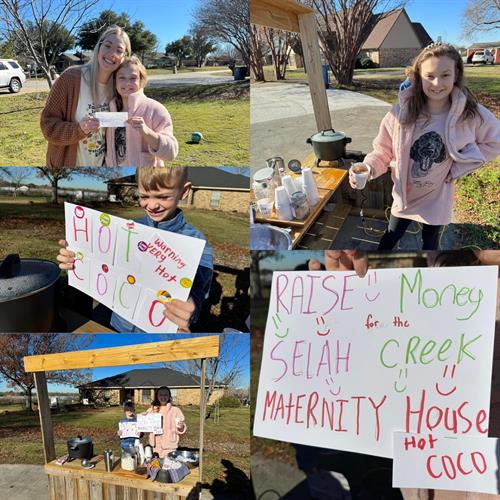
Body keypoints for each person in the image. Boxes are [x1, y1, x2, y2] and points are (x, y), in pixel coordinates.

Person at [349, 42, 500, 250]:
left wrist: (460, 166)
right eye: (430, 76)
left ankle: (431, 278)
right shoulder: (400, 113)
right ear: (418, 76)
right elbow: (383, 151)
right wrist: (368, 168)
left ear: (456, 74)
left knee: (430, 244)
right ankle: (378, 272)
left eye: (445, 75)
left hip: (437, 198)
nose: (437, 83)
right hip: (405, 197)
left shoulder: (470, 114)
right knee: (390, 238)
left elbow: (495, 140)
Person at [56, 166, 213, 332]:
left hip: (155, 332)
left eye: (163, 197)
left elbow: (200, 292)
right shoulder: (129, 227)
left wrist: (191, 307)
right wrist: (77, 258)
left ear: (184, 191)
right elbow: (106, 260)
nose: (152, 205)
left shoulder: (197, 243)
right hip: (115, 322)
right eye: (144, 196)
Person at [40, 25, 131, 167]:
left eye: (119, 50)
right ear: (99, 47)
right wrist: (79, 129)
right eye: (107, 46)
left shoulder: (118, 88)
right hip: (68, 167)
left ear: (124, 57)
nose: (112, 53)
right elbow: (48, 126)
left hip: (101, 168)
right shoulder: (71, 78)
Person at [105, 55, 179, 166]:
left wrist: (146, 132)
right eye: (122, 77)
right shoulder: (110, 110)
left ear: (141, 80)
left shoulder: (156, 109)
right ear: (115, 81)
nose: (127, 83)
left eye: (133, 78)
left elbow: (171, 153)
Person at [145, 386, 186, 458]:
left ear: (169, 396)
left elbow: (181, 428)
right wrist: (143, 417)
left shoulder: (175, 410)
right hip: (156, 445)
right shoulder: (151, 410)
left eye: (165, 395)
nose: (163, 397)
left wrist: (181, 427)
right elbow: (145, 424)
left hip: (170, 445)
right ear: (157, 396)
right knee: (157, 465)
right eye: (160, 395)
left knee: (169, 466)